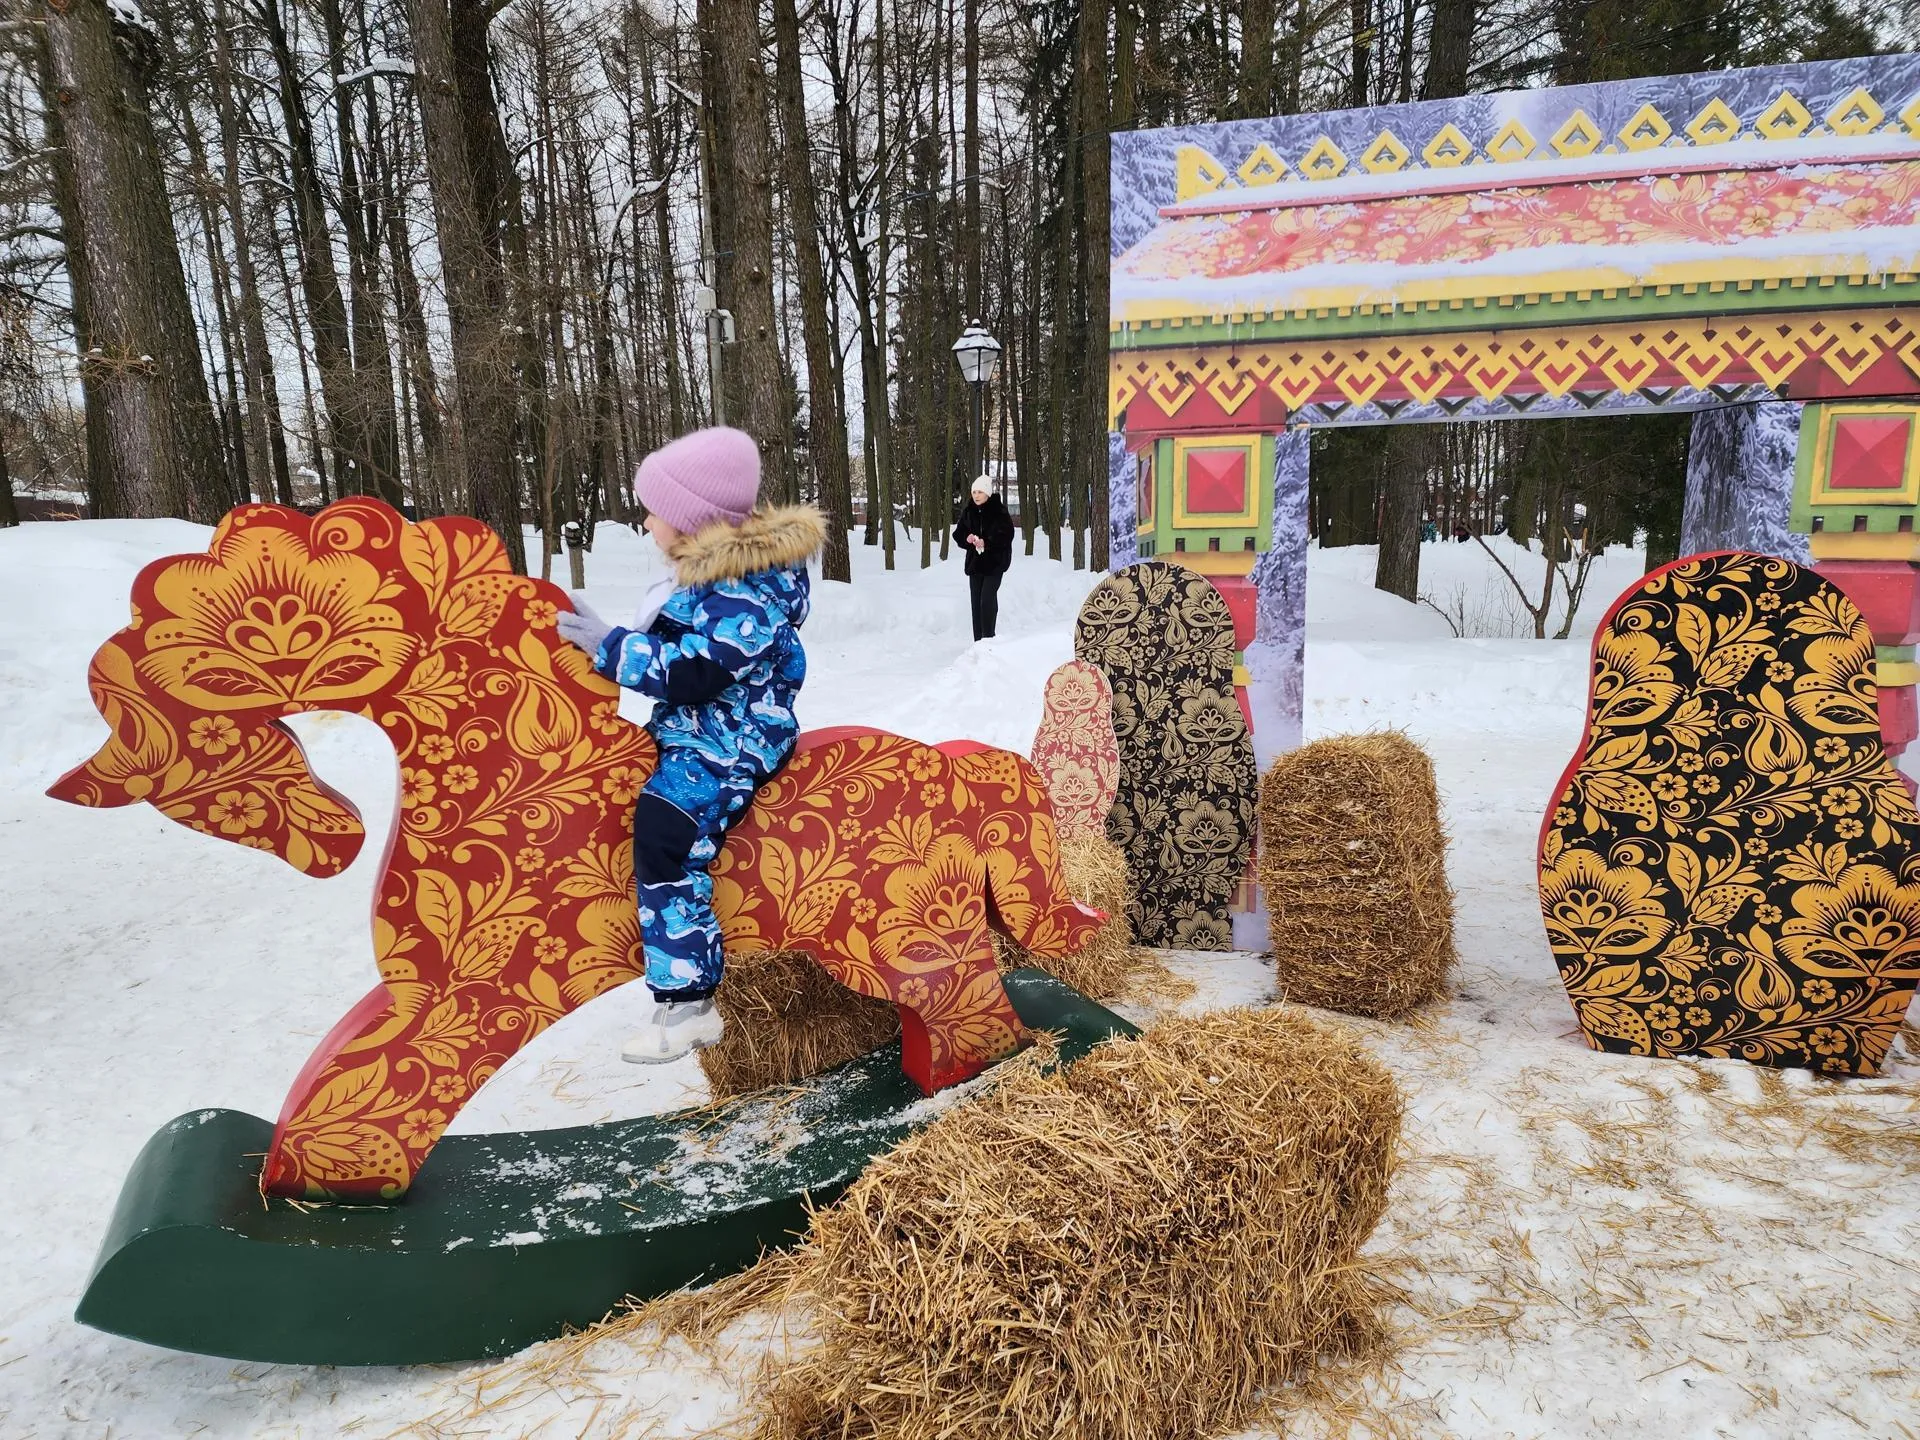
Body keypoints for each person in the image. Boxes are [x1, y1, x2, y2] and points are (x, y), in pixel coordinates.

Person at [554, 427, 824, 1063]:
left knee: (666, 830)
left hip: (735, 736)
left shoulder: (746, 587)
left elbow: (694, 671)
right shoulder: (709, 577)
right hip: (694, 725)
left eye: (656, 511)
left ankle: (690, 1002)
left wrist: (612, 647)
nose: (646, 522)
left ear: (692, 520)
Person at [952, 475, 1014, 641]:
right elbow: (958, 534)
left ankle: (988, 639)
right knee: (976, 603)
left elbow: (1006, 535)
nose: (976, 495)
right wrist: (967, 539)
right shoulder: (968, 511)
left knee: (986, 600)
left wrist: (986, 542)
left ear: (987, 493)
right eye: (974, 492)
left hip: (995, 563)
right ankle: (978, 642)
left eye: (980, 491)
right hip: (975, 564)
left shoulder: (999, 511)